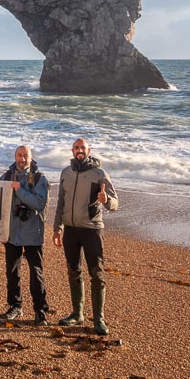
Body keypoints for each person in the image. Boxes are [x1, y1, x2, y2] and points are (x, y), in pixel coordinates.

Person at [52, 137, 118, 335]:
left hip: (91, 229)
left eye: (82, 148)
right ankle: (77, 314)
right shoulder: (66, 172)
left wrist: (106, 200)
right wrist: (57, 228)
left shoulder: (99, 174)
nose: (79, 150)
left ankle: (99, 319)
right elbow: (61, 204)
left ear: (89, 151)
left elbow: (115, 203)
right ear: (72, 151)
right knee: (73, 271)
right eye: (76, 147)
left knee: (96, 274)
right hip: (71, 230)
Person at [0, 145, 50, 326]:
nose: (22, 159)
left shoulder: (38, 178)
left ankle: (40, 310)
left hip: (32, 233)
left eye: (25, 156)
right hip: (11, 233)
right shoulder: (6, 177)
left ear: (31, 157)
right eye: (19, 155)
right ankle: (15, 306)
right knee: (12, 272)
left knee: (36, 273)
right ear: (14, 157)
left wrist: (19, 190)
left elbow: (39, 203)